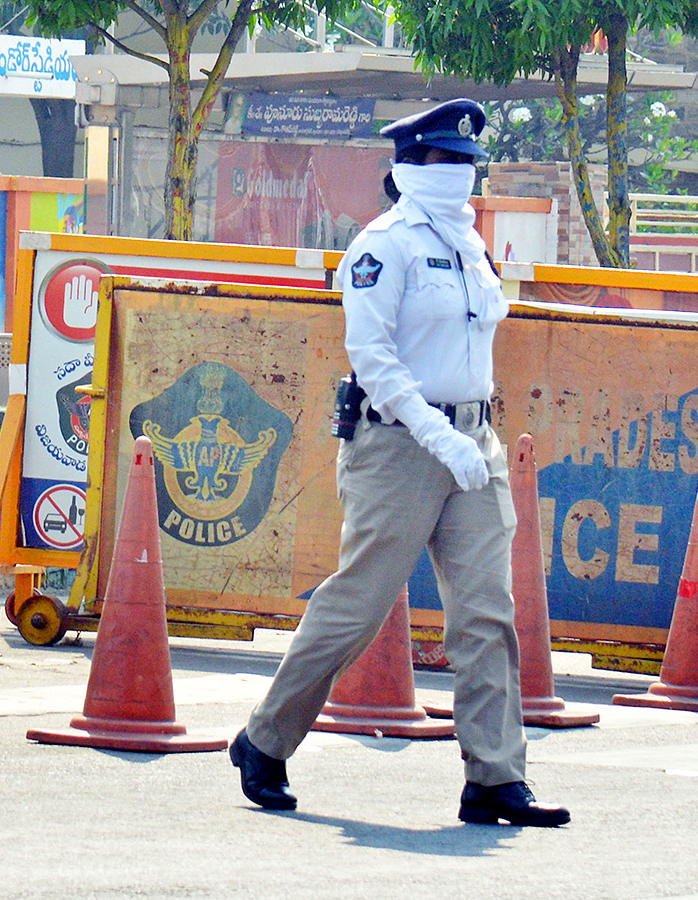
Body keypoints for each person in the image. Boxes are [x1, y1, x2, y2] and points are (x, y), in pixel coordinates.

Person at [230, 98, 569, 828]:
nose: (459, 175)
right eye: (445, 161)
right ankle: (265, 738)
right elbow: (373, 358)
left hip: (473, 443)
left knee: (487, 615)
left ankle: (496, 777)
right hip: (399, 445)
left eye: (466, 164)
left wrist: (466, 433)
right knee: (360, 605)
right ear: (410, 166)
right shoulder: (383, 247)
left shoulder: (470, 245)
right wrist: (434, 432)